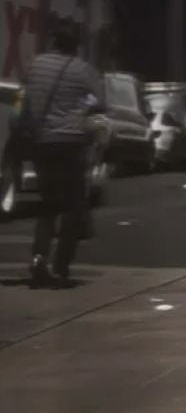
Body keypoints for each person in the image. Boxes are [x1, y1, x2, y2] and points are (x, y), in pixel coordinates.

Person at [20, 24, 104, 287]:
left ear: (53, 41)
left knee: (48, 204)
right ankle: (61, 265)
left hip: (42, 141)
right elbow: (101, 101)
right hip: (70, 142)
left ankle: (38, 258)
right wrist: (80, 106)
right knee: (74, 207)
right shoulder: (82, 69)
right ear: (76, 46)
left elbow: (28, 95)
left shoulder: (36, 64)